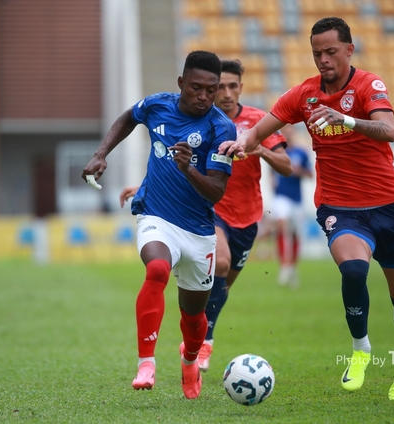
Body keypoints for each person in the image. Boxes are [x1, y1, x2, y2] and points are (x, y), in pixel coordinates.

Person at [218, 17, 394, 401]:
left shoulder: (369, 85)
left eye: (330, 52)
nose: (323, 59)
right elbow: (260, 129)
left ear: (349, 50)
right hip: (339, 207)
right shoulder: (304, 94)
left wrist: (345, 119)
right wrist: (242, 142)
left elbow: (389, 129)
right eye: (317, 53)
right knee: (353, 269)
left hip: (389, 205)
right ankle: (360, 349)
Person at [120, 59, 293, 374]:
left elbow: (287, 166)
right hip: (210, 213)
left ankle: (199, 338)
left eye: (231, 86)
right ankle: (201, 346)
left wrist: (260, 150)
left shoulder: (255, 122)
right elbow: (167, 159)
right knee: (220, 264)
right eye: (219, 87)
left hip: (246, 216)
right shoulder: (190, 118)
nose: (224, 93)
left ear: (240, 88)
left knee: (219, 288)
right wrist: (144, 186)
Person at [82, 50, 236, 400]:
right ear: (181, 83)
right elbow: (128, 118)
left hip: (198, 231)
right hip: (156, 216)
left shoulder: (222, 128)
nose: (204, 96)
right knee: (156, 269)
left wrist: (188, 169)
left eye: (211, 90)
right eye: (196, 88)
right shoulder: (157, 105)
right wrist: (101, 153)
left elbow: (216, 191)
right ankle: (146, 364)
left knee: (194, 317)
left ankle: (190, 359)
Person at [271, 125, 313, 288]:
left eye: (289, 130)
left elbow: (310, 174)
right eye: (284, 131)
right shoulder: (277, 152)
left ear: (293, 133)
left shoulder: (301, 153)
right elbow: (272, 173)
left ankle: (292, 267)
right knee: (282, 226)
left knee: (295, 233)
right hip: (280, 197)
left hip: (297, 198)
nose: (287, 133)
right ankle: (284, 265)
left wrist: (297, 171)